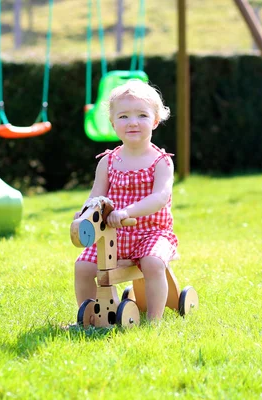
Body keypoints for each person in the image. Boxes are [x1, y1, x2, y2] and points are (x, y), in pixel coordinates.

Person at [74, 79, 178, 321]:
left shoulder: (161, 161)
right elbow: (95, 196)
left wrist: (127, 212)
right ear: (113, 124)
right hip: (114, 235)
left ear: (155, 121)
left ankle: (154, 320)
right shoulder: (108, 162)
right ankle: (90, 318)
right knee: (84, 266)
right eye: (123, 117)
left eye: (142, 115)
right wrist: (85, 213)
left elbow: (159, 198)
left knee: (152, 263)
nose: (132, 122)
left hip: (153, 233)